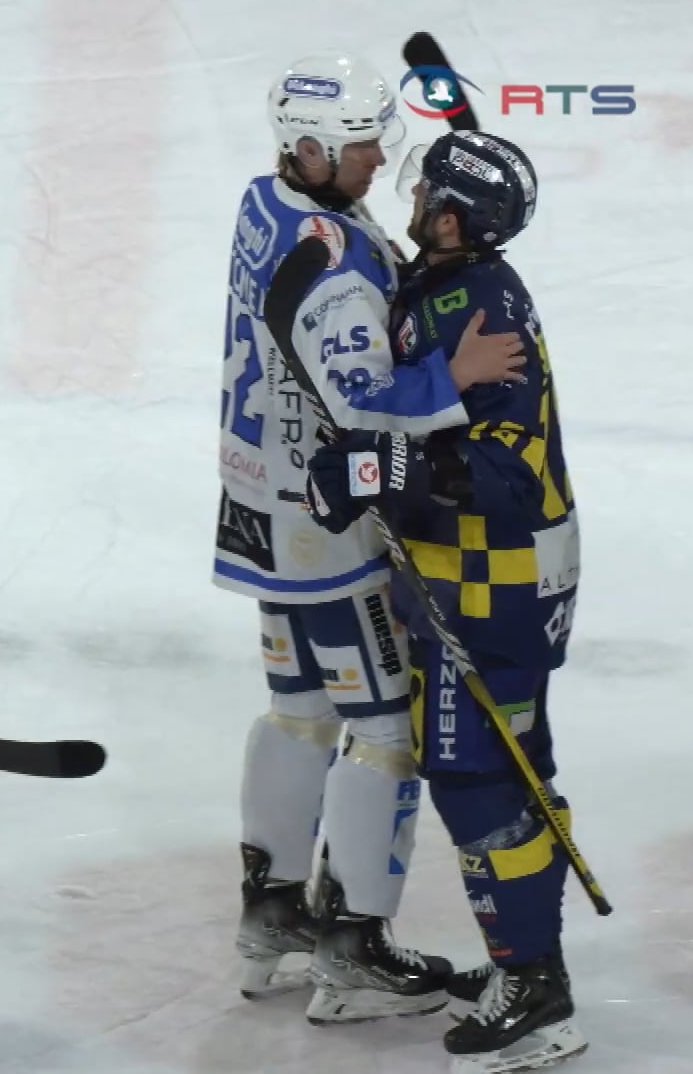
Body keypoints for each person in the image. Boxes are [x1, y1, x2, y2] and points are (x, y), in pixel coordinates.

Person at [216, 53, 528, 1023]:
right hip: (327, 526)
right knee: (385, 730)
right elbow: (366, 402)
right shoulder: (337, 267)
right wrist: (456, 372)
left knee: (299, 710)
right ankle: (353, 943)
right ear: (309, 148)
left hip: (258, 507)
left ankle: (270, 917)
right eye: (360, 146)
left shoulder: (262, 204)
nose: (376, 159)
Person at [306, 128, 585, 1073]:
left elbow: (497, 475)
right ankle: (532, 968)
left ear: (454, 215)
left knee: (479, 777)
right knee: (502, 774)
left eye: (426, 189)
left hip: (494, 580)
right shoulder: (446, 285)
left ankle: (535, 991)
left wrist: (373, 465)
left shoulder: (478, 303)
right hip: (477, 576)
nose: (411, 194)